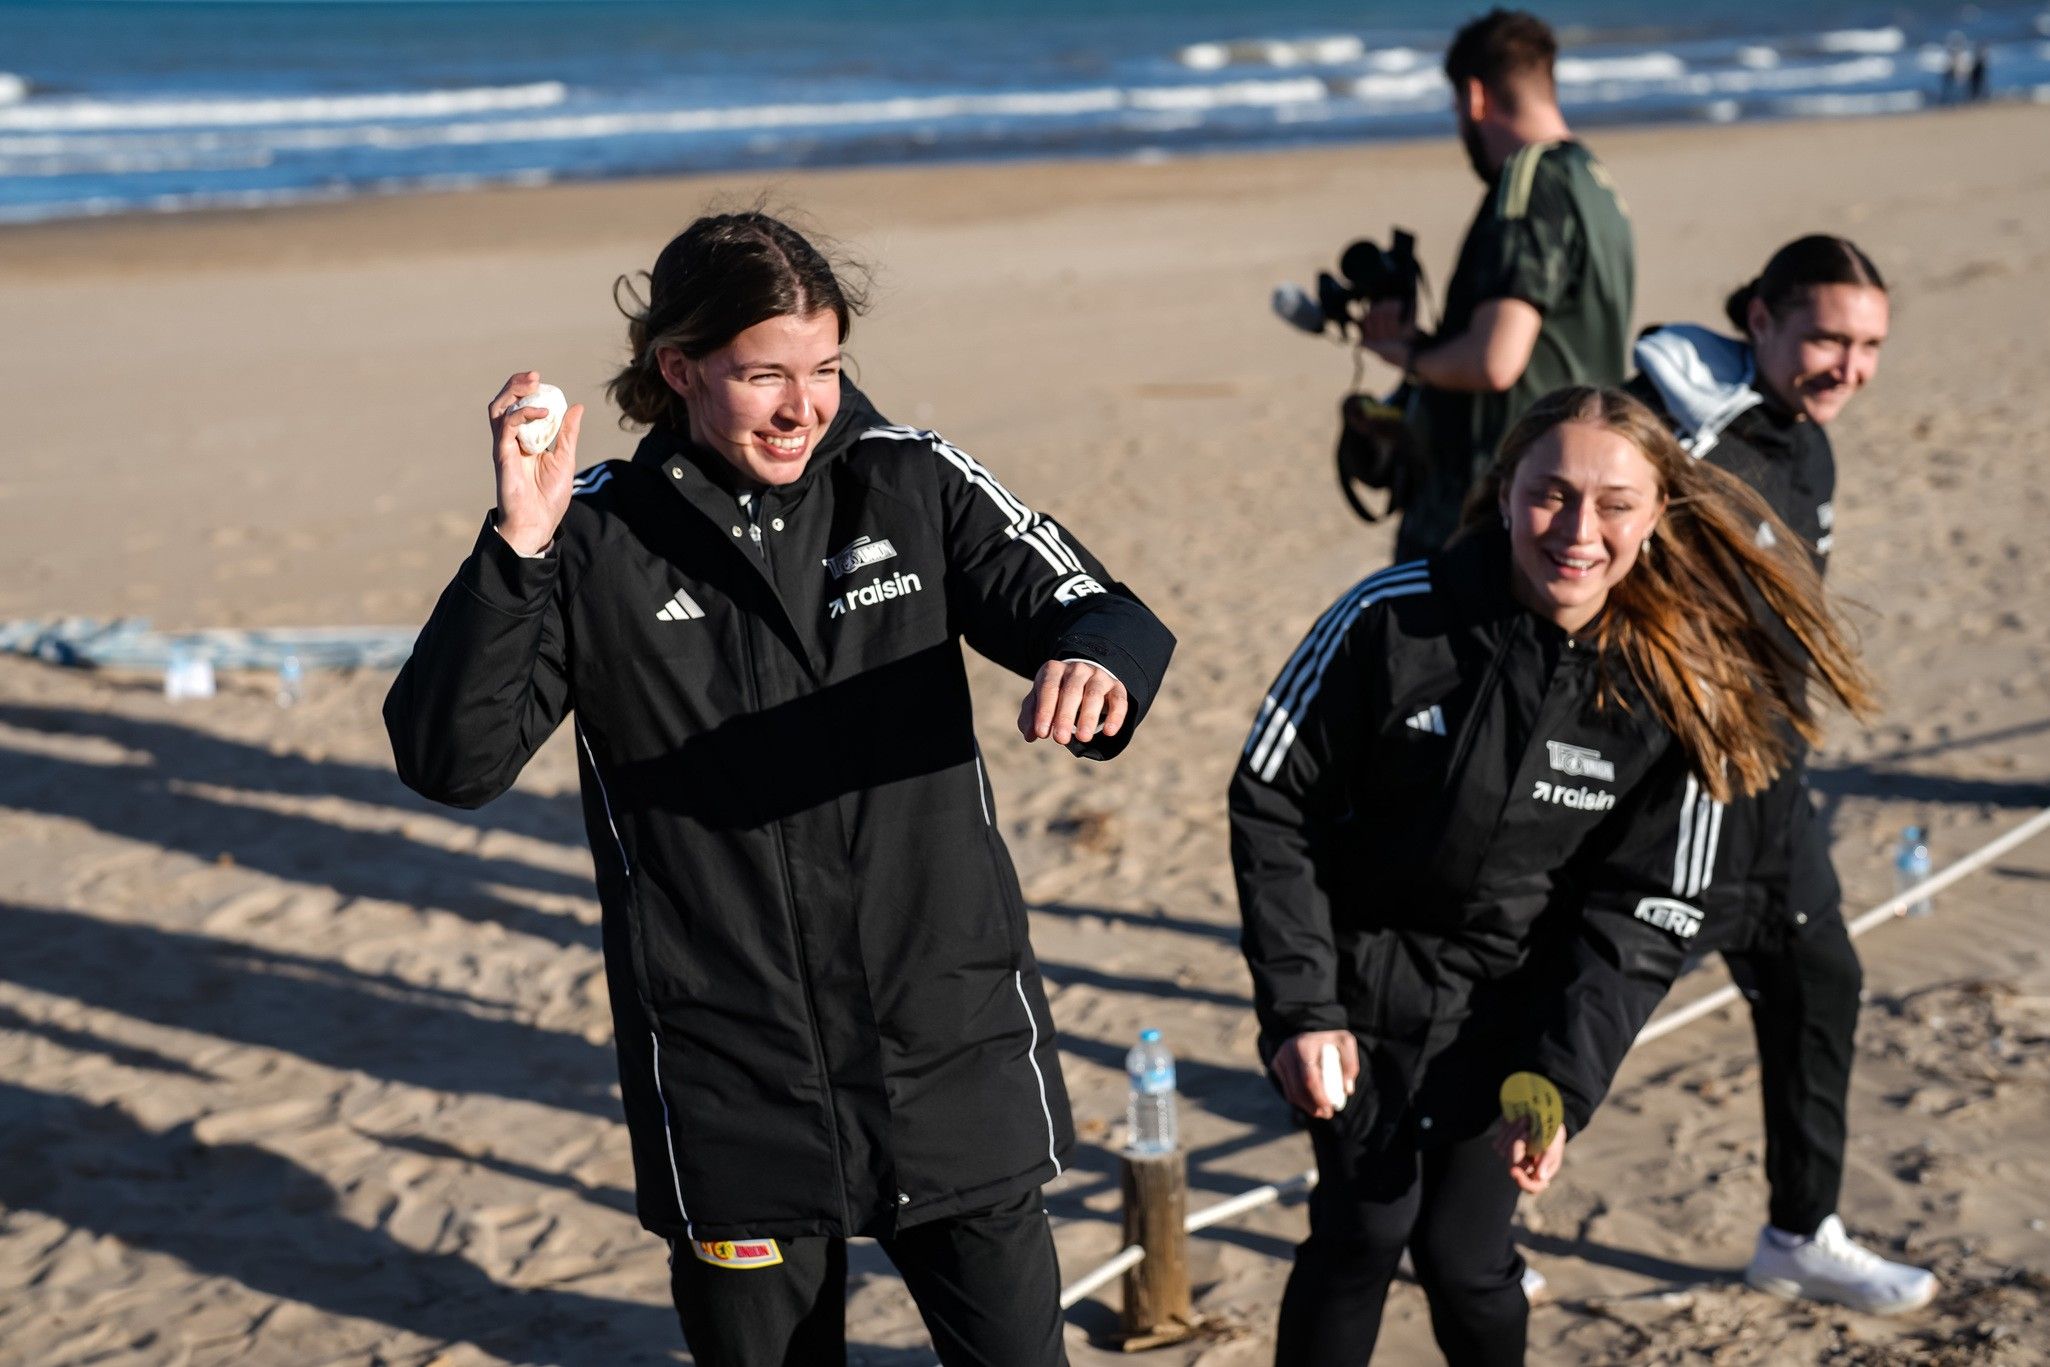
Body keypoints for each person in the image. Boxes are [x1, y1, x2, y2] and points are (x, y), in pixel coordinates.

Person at [384, 210, 1176, 1367]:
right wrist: (518, 545)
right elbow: (451, 760)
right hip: (731, 1082)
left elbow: (1099, 607)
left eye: (824, 369)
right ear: (678, 367)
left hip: (948, 1050)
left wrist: (1095, 660)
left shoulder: (909, 481)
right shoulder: (593, 536)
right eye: (763, 375)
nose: (804, 405)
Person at [1231, 385, 1877, 1364]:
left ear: (1657, 513)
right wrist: (1302, 1005)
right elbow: (1270, 796)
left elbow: (1646, 913)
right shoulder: (1388, 620)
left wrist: (1558, 1078)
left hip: (1518, 1012)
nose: (1579, 529)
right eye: (1551, 494)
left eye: (1615, 502)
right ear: (1502, 495)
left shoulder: (1680, 687)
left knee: (1464, 1253)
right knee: (1363, 1226)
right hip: (1362, 983)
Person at [1629, 235, 1935, 1314]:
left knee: (1822, 984)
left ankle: (1800, 1233)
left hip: (1772, 782)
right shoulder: (1662, 425)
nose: (1846, 366)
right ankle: (1467, 1240)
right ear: (1757, 318)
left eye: (1868, 346)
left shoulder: (1807, 440)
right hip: (1660, 799)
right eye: (1824, 337)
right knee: (1565, 1023)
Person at [1356, 9, 1635, 562]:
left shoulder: (1530, 182)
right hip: (1574, 476)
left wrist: (1408, 354)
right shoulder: (1596, 183)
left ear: (1476, 97)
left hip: (1497, 499)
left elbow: (1495, 360)